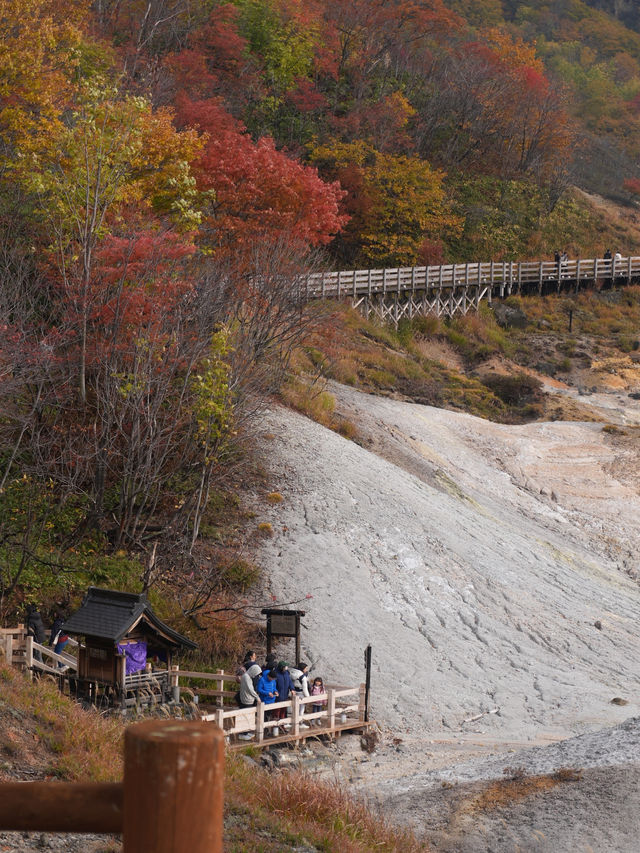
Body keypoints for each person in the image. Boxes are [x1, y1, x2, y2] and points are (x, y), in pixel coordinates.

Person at [289, 661, 310, 729]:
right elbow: (305, 688)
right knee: (301, 709)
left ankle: (291, 722)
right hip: (301, 693)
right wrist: (308, 697)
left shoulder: (292, 673)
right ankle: (300, 722)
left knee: (293, 708)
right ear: (303, 669)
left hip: (293, 692)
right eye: (305, 668)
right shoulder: (302, 677)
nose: (306, 670)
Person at [274, 661, 295, 728]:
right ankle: (275, 726)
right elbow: (273, 685)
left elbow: (290, 682)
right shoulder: (276, 674)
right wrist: (275, 691)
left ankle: (282, 726)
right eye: (285, 667)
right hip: (278, 696)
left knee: (283, 712)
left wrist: (292, 689)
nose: (286, 668)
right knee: (276, 712)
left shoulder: (286, 673)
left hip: (285, 695)